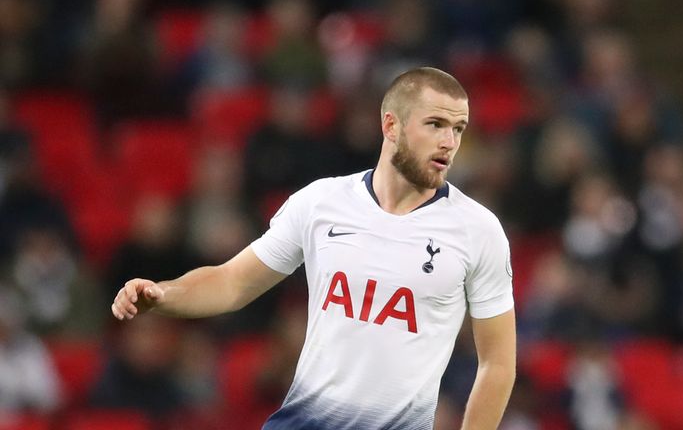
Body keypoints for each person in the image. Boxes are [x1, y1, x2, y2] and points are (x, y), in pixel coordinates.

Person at [111, 67, 517, 429]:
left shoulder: (478, 230)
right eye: (435, 124)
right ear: (391, 126)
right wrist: (163, 294)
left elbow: (497, 363)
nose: (449, 141)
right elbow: (232, 282)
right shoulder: (322, 202)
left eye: (459, 128)